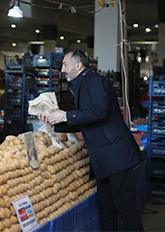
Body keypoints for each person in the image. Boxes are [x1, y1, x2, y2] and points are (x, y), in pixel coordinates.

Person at [38, 49, 144, 231]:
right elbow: (85, 120)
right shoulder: (82, 84)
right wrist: (55, 122)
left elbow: (98, 112)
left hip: (115, 156)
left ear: (78, 65)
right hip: (102, 159)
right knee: (106, 208)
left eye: (65, 65)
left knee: (125, 207)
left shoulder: (95, 82)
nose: (62, 69)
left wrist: (65, 115)